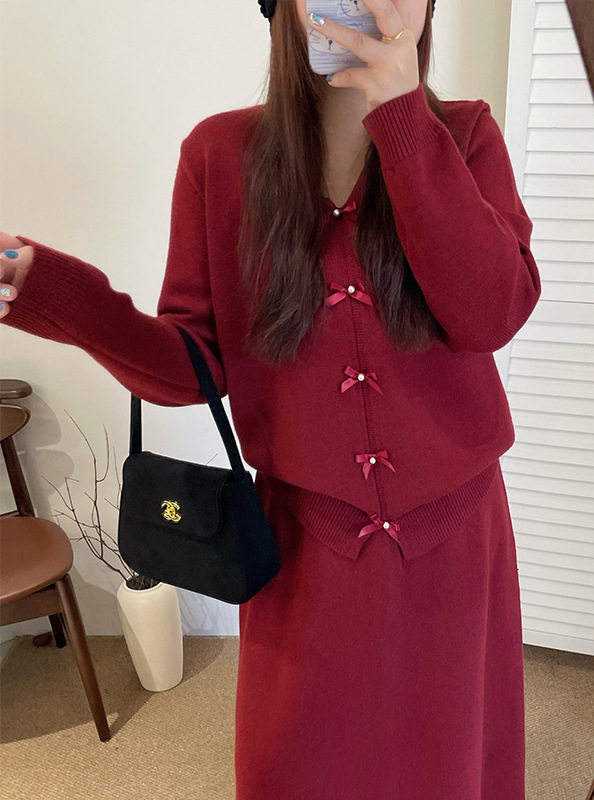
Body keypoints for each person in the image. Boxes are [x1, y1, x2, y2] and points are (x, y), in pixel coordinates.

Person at [0, 0, 541, 796]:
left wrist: (404, 122)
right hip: (304, 550)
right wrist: (62, 296)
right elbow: (191, 367)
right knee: (294, 766)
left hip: (455, 543)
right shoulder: (219, 157)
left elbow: (493, 313)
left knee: (449, 763)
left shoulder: (465, 136)